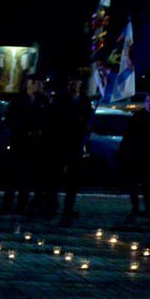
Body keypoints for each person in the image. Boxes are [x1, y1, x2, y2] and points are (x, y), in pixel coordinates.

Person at [46, 72, 93, 224]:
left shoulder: (85, 101)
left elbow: (88, 120)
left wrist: (84, 127)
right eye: (71, 82)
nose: (73, 85)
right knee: (54, 176)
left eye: (76, 82)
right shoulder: (60, 98)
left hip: (76, 143)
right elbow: (53, 118)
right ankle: (52, 203)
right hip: (60, 142)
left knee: (73, 179)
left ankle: (69, 206)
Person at [0, 75, 46, 215]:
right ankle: (7, 203)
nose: (39, 87)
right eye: (36, 83)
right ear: (30, 84)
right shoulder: (18, 99)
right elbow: (11, 118)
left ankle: (22, 204)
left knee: (27, 176)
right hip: (18, 142)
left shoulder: (41, 100)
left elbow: (45, 118)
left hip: (33, 144)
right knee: (12, 175)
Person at [118, 92, 150, 219]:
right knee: (134, 183)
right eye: (148, 101)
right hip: (137, 155)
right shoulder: (138, 116)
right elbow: (128, 135)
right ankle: (136, 206)